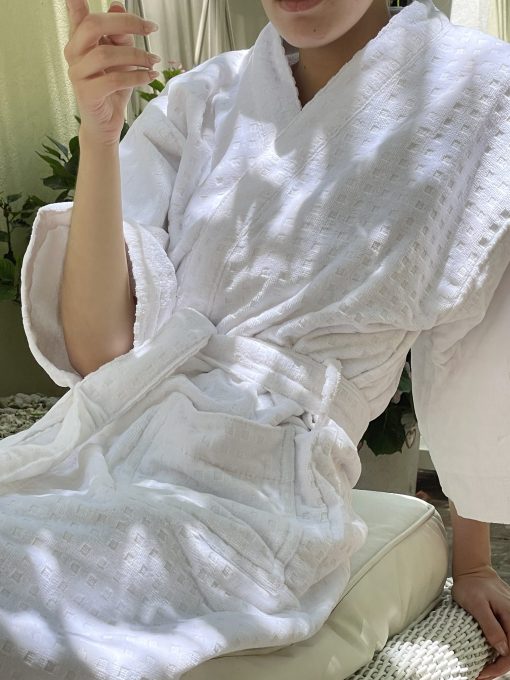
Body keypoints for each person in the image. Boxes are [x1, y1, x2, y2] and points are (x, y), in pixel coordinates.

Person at [0, 0, 509, 678]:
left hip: (263, 493)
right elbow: (101, 354)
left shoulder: (483, 92)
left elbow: (479, 358)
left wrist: (471, 563)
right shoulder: (203, 97)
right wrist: (98, 136)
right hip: (112, 438)